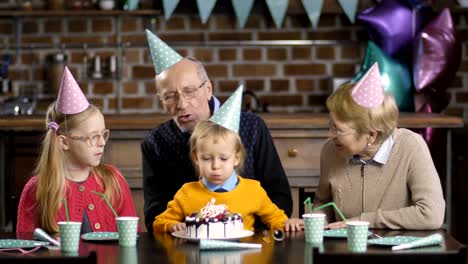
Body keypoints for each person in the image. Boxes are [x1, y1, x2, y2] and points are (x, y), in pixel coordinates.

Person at [142, 30, 292, 232]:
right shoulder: (155, 143)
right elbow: (155, 216)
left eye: (189, 91)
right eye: (170, 96)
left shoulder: (253, 127)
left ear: (208, 89)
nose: (182, 104)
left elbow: (280, 198)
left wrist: (240, 230)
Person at [153, 86, 303, 233]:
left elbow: (276, 219)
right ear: (196, 158)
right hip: (198, 255)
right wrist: (172, 225)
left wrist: (288, 223)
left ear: (236, 158)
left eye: (223, 158)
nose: (215, 166)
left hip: (244, 256)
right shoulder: (187, 193)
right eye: (206, 158)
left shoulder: (253, 191)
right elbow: (159, 222)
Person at [314, 63, 445, 230]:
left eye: (338, 130)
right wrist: (314, 220)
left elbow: (431, 214)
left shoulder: (410, 146)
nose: (330, 135)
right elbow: (322, 202)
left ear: (371, 135)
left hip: (399, 252)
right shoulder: (331, 151)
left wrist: (366, 220)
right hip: (346, 250)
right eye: (331, 125)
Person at [17, 67, 138, 234]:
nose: (102, 142)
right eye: (93, 137)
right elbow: (26, 247)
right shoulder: (37, 189)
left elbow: (132, 236)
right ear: (64, 142)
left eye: (103, 134)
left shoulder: (113, 181)